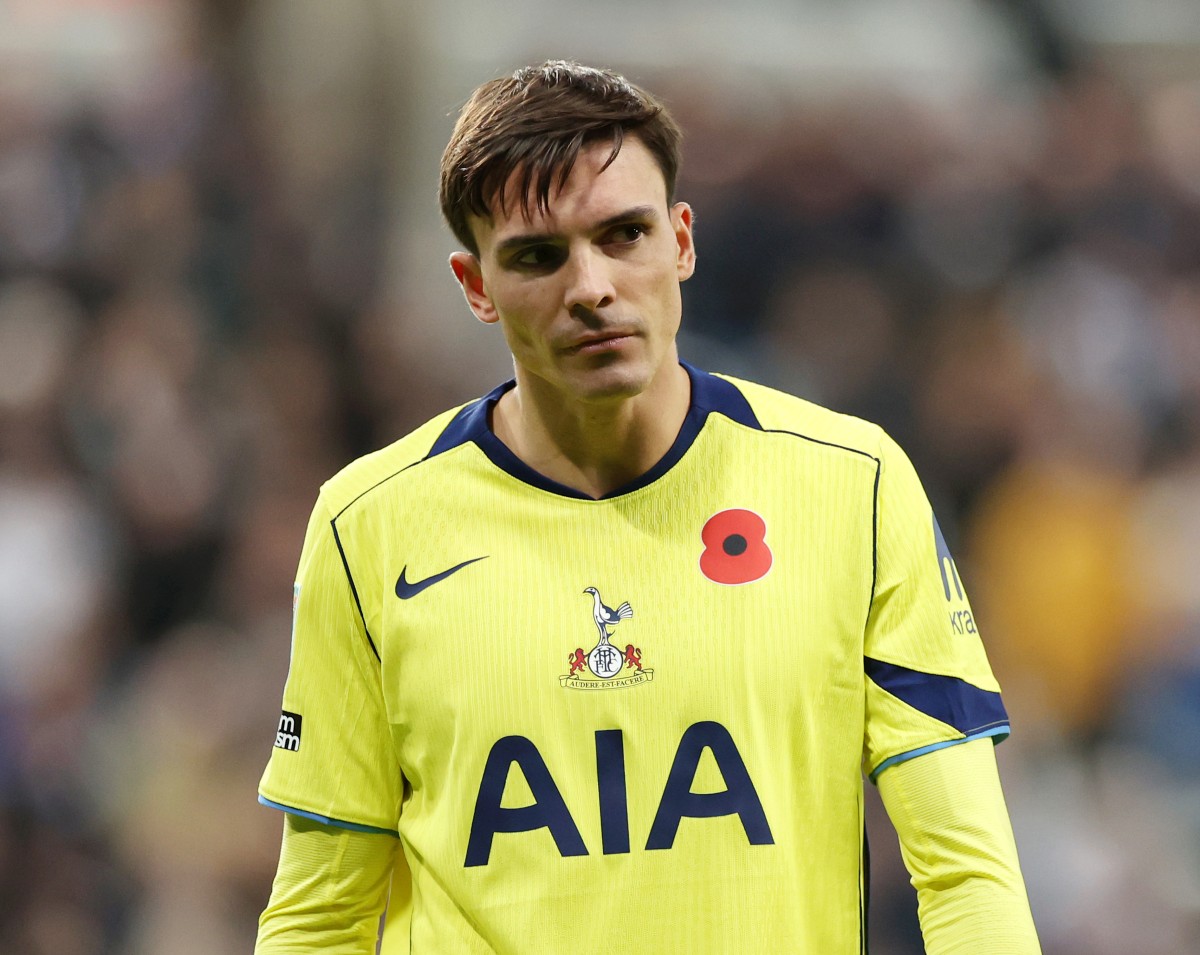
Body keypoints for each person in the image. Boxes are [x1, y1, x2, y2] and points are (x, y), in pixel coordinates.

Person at [254, 60, 1042, 954]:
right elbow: (319, 917)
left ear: (682, 242)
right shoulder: (368, 526)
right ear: (476, 286)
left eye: (624, 234)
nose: (590, 286)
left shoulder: (851, 486)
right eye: (538, 255)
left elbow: (966, 874)